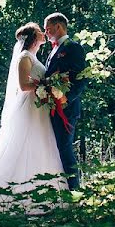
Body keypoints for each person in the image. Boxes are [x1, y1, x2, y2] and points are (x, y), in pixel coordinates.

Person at [0, 22, 67, 211]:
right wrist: (46, 84)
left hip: (38, 109)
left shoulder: (33, 56)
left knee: (39, 145)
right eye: (40, 32)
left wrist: (46, 85)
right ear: (33, 37)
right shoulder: (24, 57)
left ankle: (42, 193)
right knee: (20, 144)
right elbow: (24, 86)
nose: (43, 33)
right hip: (29, 109)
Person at [43, 12, 87, 190]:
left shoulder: (73, 47)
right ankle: (60, 187)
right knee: (56, 148)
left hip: (66, 109)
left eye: (48, 28)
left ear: (58, 26)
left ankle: (74, 189)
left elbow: (81, 78)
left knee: (64, 147)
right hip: (52, 107)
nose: (45, 32)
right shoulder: (53, 49)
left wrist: (65, 99)